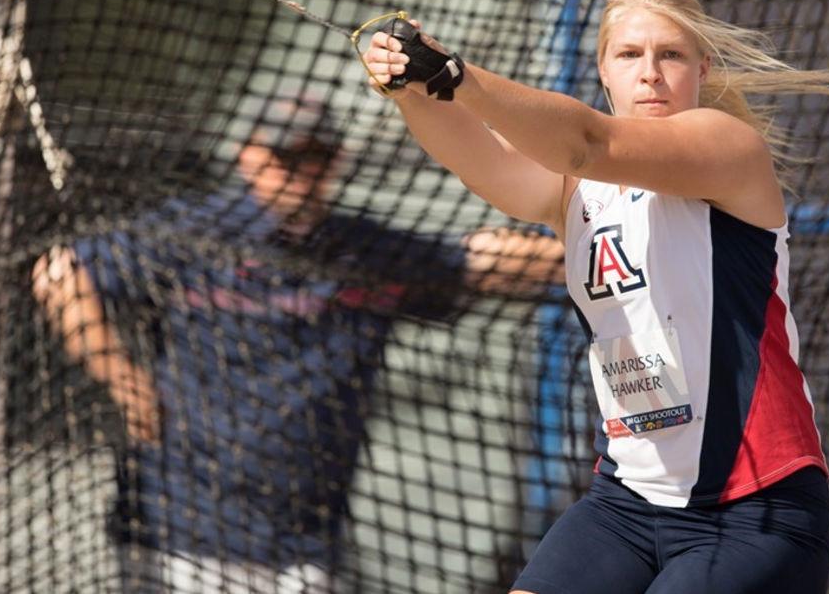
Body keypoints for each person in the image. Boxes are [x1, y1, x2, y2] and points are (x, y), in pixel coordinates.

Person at [361, 0, 829, 594]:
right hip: (627, 502)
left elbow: (585, 142)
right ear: (604, 70)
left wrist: (457, 77)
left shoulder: (726, 147)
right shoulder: (573, 188)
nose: (651, 73)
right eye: (630, 55)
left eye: (672, 55)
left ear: (704, 69)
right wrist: (410, 84)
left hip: (754, 510)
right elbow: (482, 160)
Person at [30, 96, 563, 594]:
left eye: (315, 158)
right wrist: (126, 382)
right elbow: (61, 272)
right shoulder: (198, 233)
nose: (299, 173)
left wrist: (597, 235)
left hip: (301, 546)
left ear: (335, 164)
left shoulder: (364, 254)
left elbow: (474, 263)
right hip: (176, 532)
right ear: (249, 156)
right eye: (285, 156)